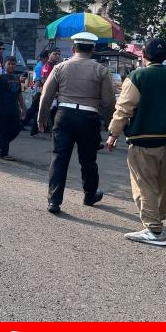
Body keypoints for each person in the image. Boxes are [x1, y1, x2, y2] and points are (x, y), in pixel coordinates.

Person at [105, 38, 166, 246]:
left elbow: (124, 108)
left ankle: (153, 229)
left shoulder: (138, 76)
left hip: (142, 139)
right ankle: (158, 219)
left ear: (144, 55)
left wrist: (113, 133)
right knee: (164, 184)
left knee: (144, 184)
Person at [39, 32, 115, 214]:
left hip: (64, 115)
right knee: (88, 159)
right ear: (93, 50)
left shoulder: (60, 67)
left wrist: (41, 118)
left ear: (74, 48)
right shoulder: (101, 70)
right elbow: (108, 102)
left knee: (59, 157)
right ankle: (89, 195)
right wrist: (111, 126)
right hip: (89, 118)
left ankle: (54, 201)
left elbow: (46, 96)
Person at [0, 56, 26, 160]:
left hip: (14, 109)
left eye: (13, 64)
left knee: (17, 128)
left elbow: (19, 95)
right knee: (3, 130)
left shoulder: (16, 78)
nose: (11, 66)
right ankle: (4, 153)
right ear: (4, 64)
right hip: (2, 109)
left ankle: (0, 143)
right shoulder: (0, 78)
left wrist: (23, 108)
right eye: (9, 64)